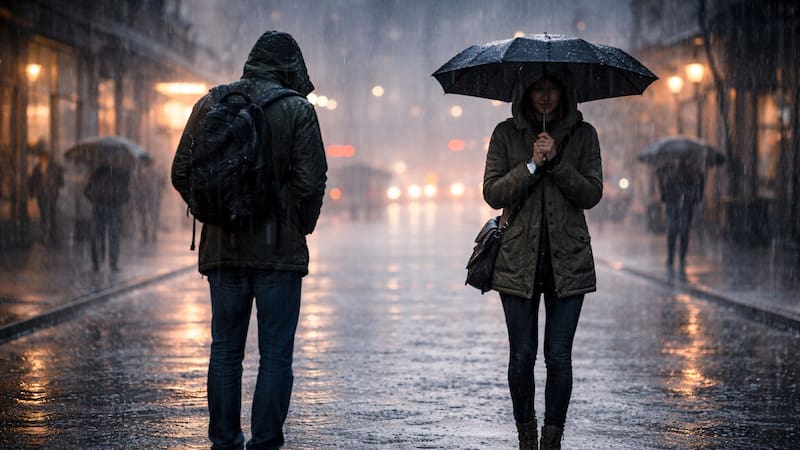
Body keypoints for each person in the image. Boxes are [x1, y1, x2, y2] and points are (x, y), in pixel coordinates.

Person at [171, 31, 326, 450]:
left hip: (222, 251)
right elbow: (311, 181)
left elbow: (181, 172)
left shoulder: (210, 104)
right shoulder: (297, 110)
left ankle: (224, 441)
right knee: (275, 354)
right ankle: (264, 443)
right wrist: (296, 225)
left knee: (225, 351)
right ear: (290, 65)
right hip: (279, 252)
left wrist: (216, 213)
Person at [482, 73, 602, 450]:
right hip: (517, 260)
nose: (545, 96)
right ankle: (526, 436)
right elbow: (492, 191)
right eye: (539, 88)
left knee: (558, 355)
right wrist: (532, 164)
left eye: (552, 89)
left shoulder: (584, 135)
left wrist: (557, 162)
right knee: (521, 356)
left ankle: (552, 438)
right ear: (526, 92)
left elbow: (591, 193)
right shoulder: (506, 134)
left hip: (569, 260)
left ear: (564, 93)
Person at [657, 158, 704, 271]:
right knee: (675, 231)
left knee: (682, 231)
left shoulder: (690, 173)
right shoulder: (670, 172)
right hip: (675, 205)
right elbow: (665, 189)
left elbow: (697, 186)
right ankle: (674, 256)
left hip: (683, 206)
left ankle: (678, 256)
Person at [84, 164, 131, 271]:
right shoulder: (120, 174)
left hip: (101, 208)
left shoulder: (97, 172)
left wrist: (94, 200)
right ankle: (112, 264)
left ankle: (97, 264)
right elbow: (127, 195)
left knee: (98, 236)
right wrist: (119, 201)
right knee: (112, 237)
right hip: (113, 209)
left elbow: (87, 191)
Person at [29, 152, 64, 245]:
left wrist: (54, 183)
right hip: (42, 194)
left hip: (52, 194)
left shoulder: (55, 167)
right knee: (44, 215)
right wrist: (32, 192)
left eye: (43, 157)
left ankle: (52, 236)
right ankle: (44, 236)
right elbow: (33, 180)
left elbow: (61, 182)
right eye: (41, 158)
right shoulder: (37, 168)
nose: (42, 160)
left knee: (51, 215)